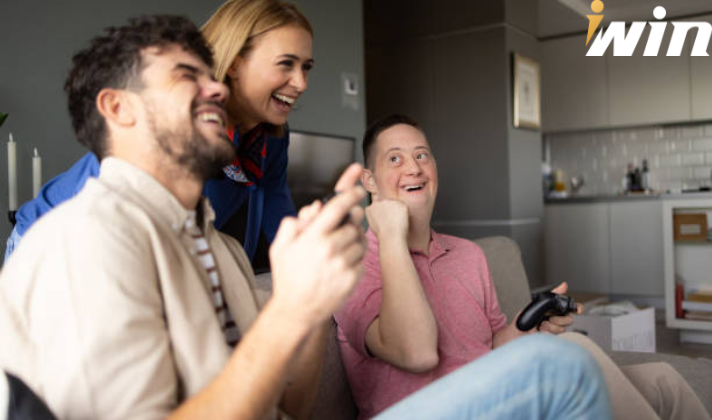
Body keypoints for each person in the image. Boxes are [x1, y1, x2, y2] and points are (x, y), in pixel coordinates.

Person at [0, 15, 615, 420]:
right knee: (556, 370)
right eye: (189, 77)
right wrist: (292, 307)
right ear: (118, 108)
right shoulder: (80, 239)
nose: (218, 89)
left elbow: (291, 408)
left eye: (214, 77)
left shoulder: (224, 248)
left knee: (571, 359)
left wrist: (315, 299)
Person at [334, 114, 710, 420]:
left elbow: (491, 345)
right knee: (571, 352)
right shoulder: (350, 267)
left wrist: (530, 326)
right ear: (369, 181)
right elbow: (418, 354)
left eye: (422, 155)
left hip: (500, 397)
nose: (414, 168)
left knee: (664, 382)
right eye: (395, 159)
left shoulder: (468, 255)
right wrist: (391, 236)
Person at [4, 0, 314, 271]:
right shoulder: (181, 124)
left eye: (306, 67)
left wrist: (305, 262)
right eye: (285, 64)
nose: (301, 84)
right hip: (59, 242)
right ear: (234, 63)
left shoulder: (269, 139)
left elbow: (277, 214)